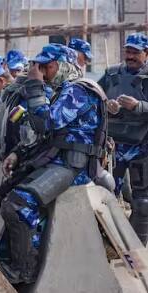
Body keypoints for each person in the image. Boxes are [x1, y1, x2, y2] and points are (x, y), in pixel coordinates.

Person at [0, 43, 108, 284]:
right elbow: (41, 134)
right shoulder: (62, 90)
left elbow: (46, 123)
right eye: (39, 67)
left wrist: (35, 84)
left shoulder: (80, 90)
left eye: (46, 67)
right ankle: (12, 257)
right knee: (4, 195)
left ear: (63, 66)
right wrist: (18, 153)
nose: (42, 72)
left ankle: (25, 270)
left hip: (72, 166)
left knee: (18, 204)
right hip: (54, 161)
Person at [98, 32, 148, 244]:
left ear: (146, 54)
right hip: (113, 147)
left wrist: (139, 106)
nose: (130, 56)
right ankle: (106, 244)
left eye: (135, 52)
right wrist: (106, 104)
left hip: (142, 147)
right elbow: (93, 96)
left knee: (142, 203)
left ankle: (137, 247)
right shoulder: (111, 75)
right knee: (103, 195)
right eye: (128, 51)